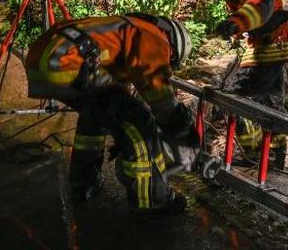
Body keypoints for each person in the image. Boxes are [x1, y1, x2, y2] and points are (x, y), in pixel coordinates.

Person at [24, 13, 198, 215]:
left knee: (96, 112)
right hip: (67, 62)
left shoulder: (126, 28)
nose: (168, 62)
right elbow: (158, 95)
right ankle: (152, 201)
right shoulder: (154, 37)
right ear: (173, 45)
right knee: (140, 121)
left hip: (40, 62)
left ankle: (84, 183)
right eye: (172, 60)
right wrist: (181, 126)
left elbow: (118, 93)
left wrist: (118, 129)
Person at [190, 0, 288, 170]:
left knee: (232, 97)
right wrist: (237, 28)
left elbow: (261, 0)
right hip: (270, 42)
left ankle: (253, 153)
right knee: (269, 101)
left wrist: (238, 22)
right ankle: (274, 156)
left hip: (271, 44)